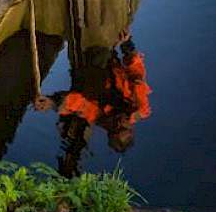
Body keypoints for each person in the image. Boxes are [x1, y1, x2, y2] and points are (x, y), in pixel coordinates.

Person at [34, 30, 151, 177]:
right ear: (130, 126)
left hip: (94, 62)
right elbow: (137, 73)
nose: (121, 123)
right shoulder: (138, 106)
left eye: (117, 128)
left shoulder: (99, 115)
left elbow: (77, 103)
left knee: (91, 84)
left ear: (110, 131)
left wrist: (52, 102)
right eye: (125, 127)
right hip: (112, 56)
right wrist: (127, 46)